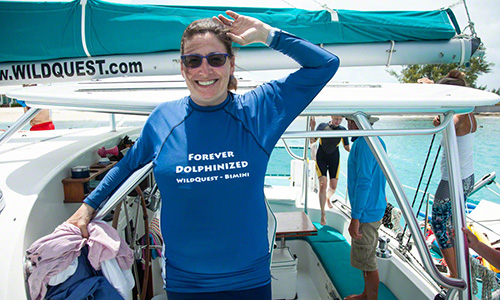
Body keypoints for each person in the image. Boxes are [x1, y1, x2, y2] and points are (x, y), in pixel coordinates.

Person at [66, 10, 339, 300]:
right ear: (183, 68)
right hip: (185, 282)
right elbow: (128, 166)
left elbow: (324, 64)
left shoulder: (257, 111)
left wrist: (266, 34)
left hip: (249, 278)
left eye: (216, 59)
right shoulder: (163, 119)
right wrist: (87, 208)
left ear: (231, 64)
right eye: (193, 61)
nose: (204, 70)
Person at [424, 70, 477, 279]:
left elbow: (448, 124)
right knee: (451, 224)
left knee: (437, 223)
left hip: (452, 181)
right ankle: (460, 267)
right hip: (467, 178)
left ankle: (455, 274)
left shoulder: (457, 117)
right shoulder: (469, 114)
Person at [345, 116, 387, 300]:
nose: (348, 124)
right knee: (365, 258)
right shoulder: (378, 140)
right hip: (374, 207)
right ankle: (365, 294)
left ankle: (371, 298)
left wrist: (356, 218)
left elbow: (364, 182)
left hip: (366, 213)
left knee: (369, 262)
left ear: (357, 122)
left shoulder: (362, 144)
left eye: (349, 120)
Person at [310, 115, 350, 225]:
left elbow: (346, 147)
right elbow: (312, 141)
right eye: (336, 119)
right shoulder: (322, 126)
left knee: (333, 187)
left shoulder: (342, 130)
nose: (338, 122)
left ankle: (327, 198)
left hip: (334, 158)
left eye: (340, 120)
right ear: (332, 116)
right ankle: (323, 213)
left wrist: (358, 152)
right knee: (323, 185)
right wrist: (312, 128)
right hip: (321, 157)